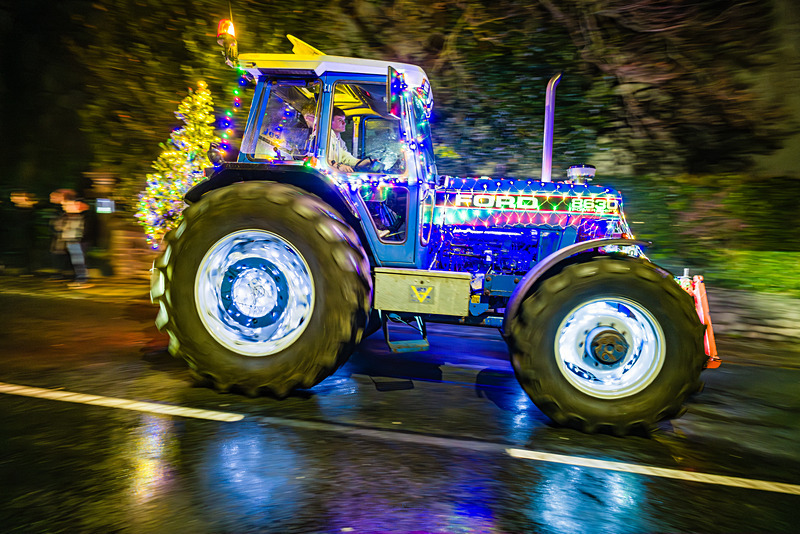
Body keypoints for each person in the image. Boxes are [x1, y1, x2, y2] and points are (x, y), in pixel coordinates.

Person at [328, 107, 360, 172]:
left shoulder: (340, 141)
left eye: (344, 120)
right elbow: (318, 159)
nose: (344, 123)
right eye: (340, 120)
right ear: (329, 122)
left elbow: (346, 158)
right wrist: (338, 166)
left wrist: (365, 162)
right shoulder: (323, 138)